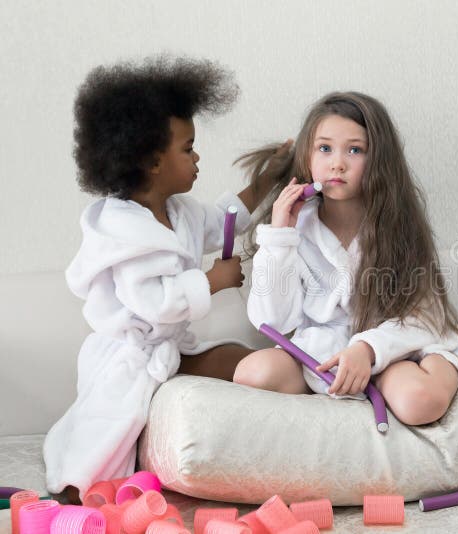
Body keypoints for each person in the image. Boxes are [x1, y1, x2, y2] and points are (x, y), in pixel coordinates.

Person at [43, 56, 287, 500]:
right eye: (188, 148)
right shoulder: (123, 231)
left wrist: (266, 180)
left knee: (237, 357)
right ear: (152, 162)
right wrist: (213, 281)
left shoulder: (180, 212)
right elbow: (154, 303)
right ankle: (75, 492)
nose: (197, 158)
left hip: (172, 347)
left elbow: (224, 220)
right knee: (108, 428)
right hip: (130, 355)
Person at [235, 91, 458, 426]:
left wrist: (367, 350)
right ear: (307, 155)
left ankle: (449, 369)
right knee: (253, 373)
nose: (337, 163)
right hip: (322, 355)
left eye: (354, 150)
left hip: (387, 352)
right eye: (325, 148)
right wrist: (280, 237)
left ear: (378, 161)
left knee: (421, 402)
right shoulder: (293, 230)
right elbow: (273, 323)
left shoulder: (397, 226)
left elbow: (424, 316)